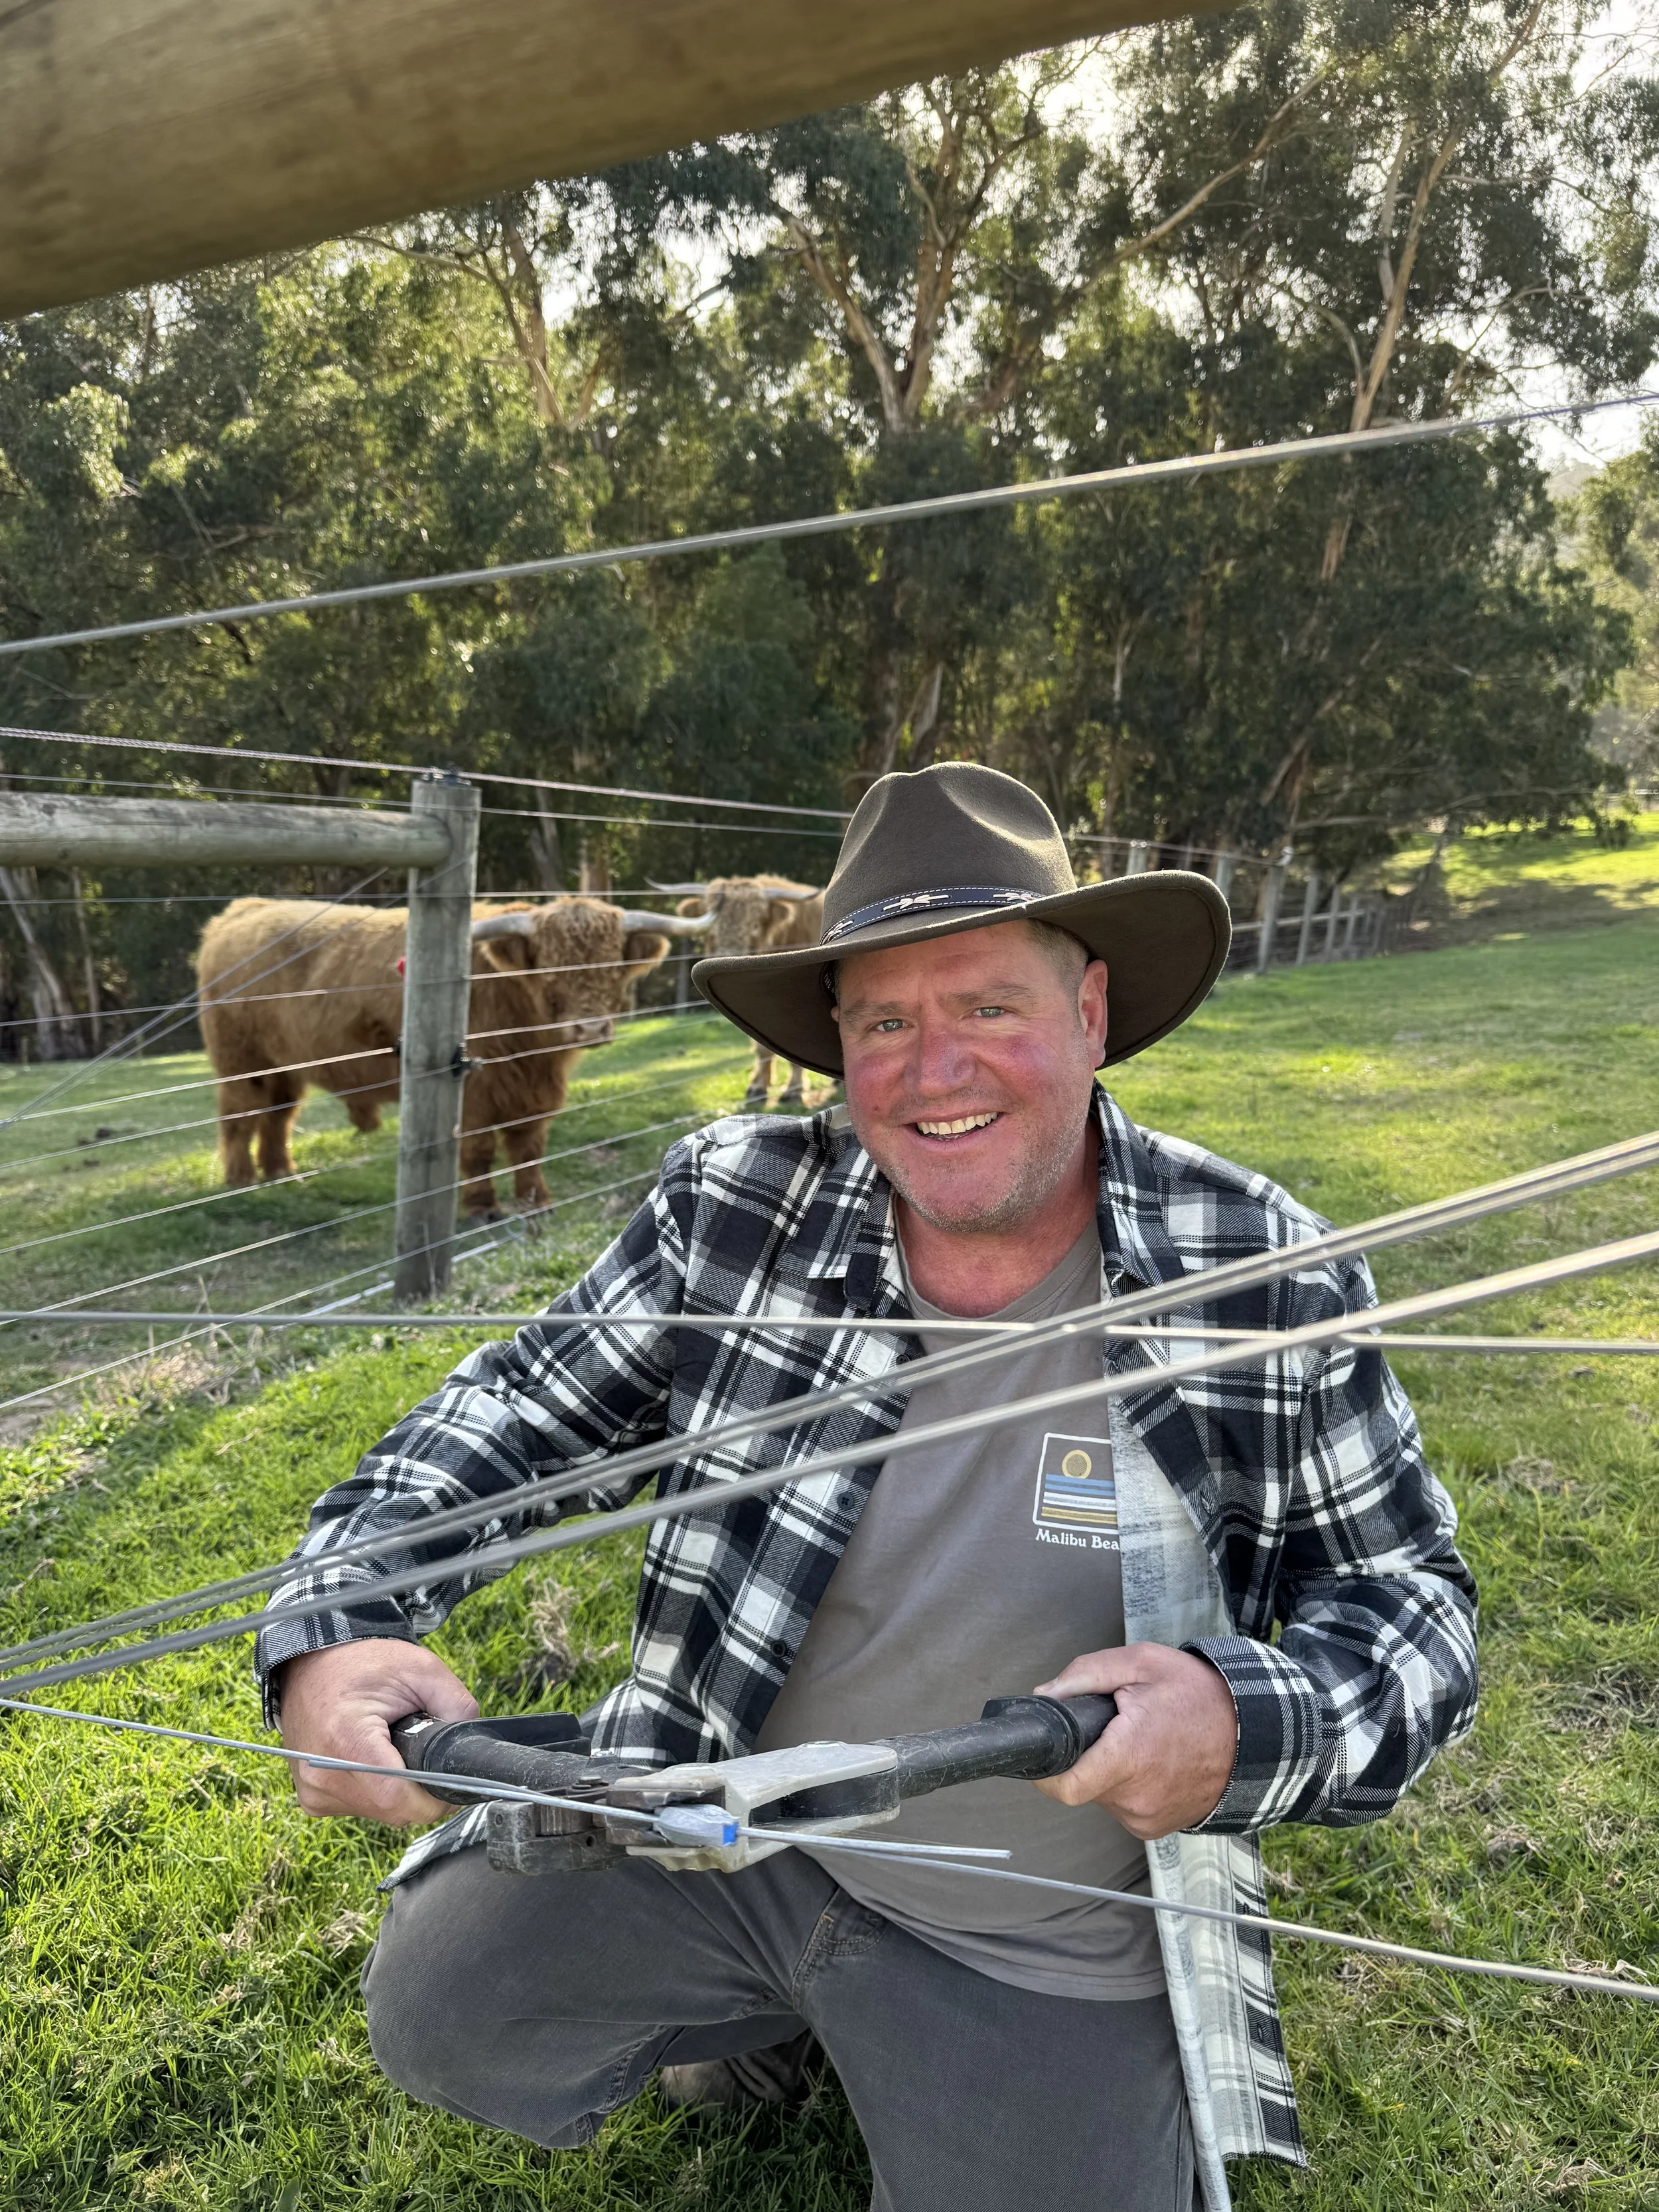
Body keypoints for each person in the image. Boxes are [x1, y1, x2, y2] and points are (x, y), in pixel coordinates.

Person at [257, 763, 1478, 2212]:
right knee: (443, 2013)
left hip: (1039, 1931)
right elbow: (519, 1406)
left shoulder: (1254, 1266)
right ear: (833, 1037)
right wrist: (339, 1613)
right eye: (883, 1019)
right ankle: (772, 2012)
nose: (929, 1068)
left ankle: (894, 2029)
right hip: (718, 1826)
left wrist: (1242, 1716)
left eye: (984, 1007)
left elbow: (1411, 1608)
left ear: (1088, 1009)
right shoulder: (736, 1196)